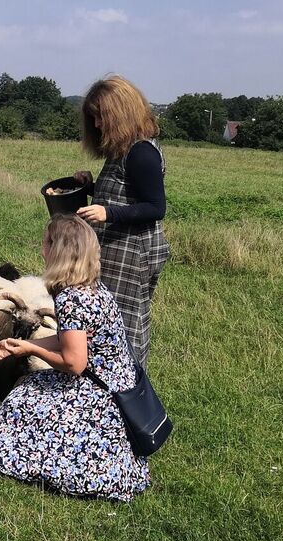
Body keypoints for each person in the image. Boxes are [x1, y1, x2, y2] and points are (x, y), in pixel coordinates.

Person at [0, 214, 149, 501]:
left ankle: (64, 464)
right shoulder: (94, 286)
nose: (41, 248)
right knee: (28, 387)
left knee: (19, 405)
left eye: (46, 242)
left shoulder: (70, 298)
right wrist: (19, 344)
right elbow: (71, 339)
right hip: (118, 381)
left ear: (57, 251)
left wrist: (31, 349)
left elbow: (74, 363)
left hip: (96, 390)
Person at [67, 75, 168, 368]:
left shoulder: (141, 153)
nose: (96, 125)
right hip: (115, 248)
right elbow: (123, 193)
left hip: (133, 253)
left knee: (126, 321)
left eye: (100, 117)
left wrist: (108, 213)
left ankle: (131, 384)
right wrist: (90, 187)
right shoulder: (120, 150)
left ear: (119, 114)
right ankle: (105, 378)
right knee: (106, 316)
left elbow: (155, 207)